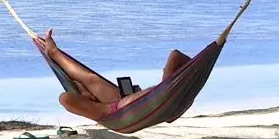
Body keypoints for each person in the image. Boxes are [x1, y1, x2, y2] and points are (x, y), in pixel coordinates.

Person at [38, 28, 191, 122]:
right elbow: (176, 56)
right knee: (90, 80)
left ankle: (55, 54)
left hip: (121, 106)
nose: (164, 71)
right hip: (127, 106)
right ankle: (55, 54)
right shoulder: (166, 94)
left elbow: (67, 98)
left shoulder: (103, 110)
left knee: (90, 81)